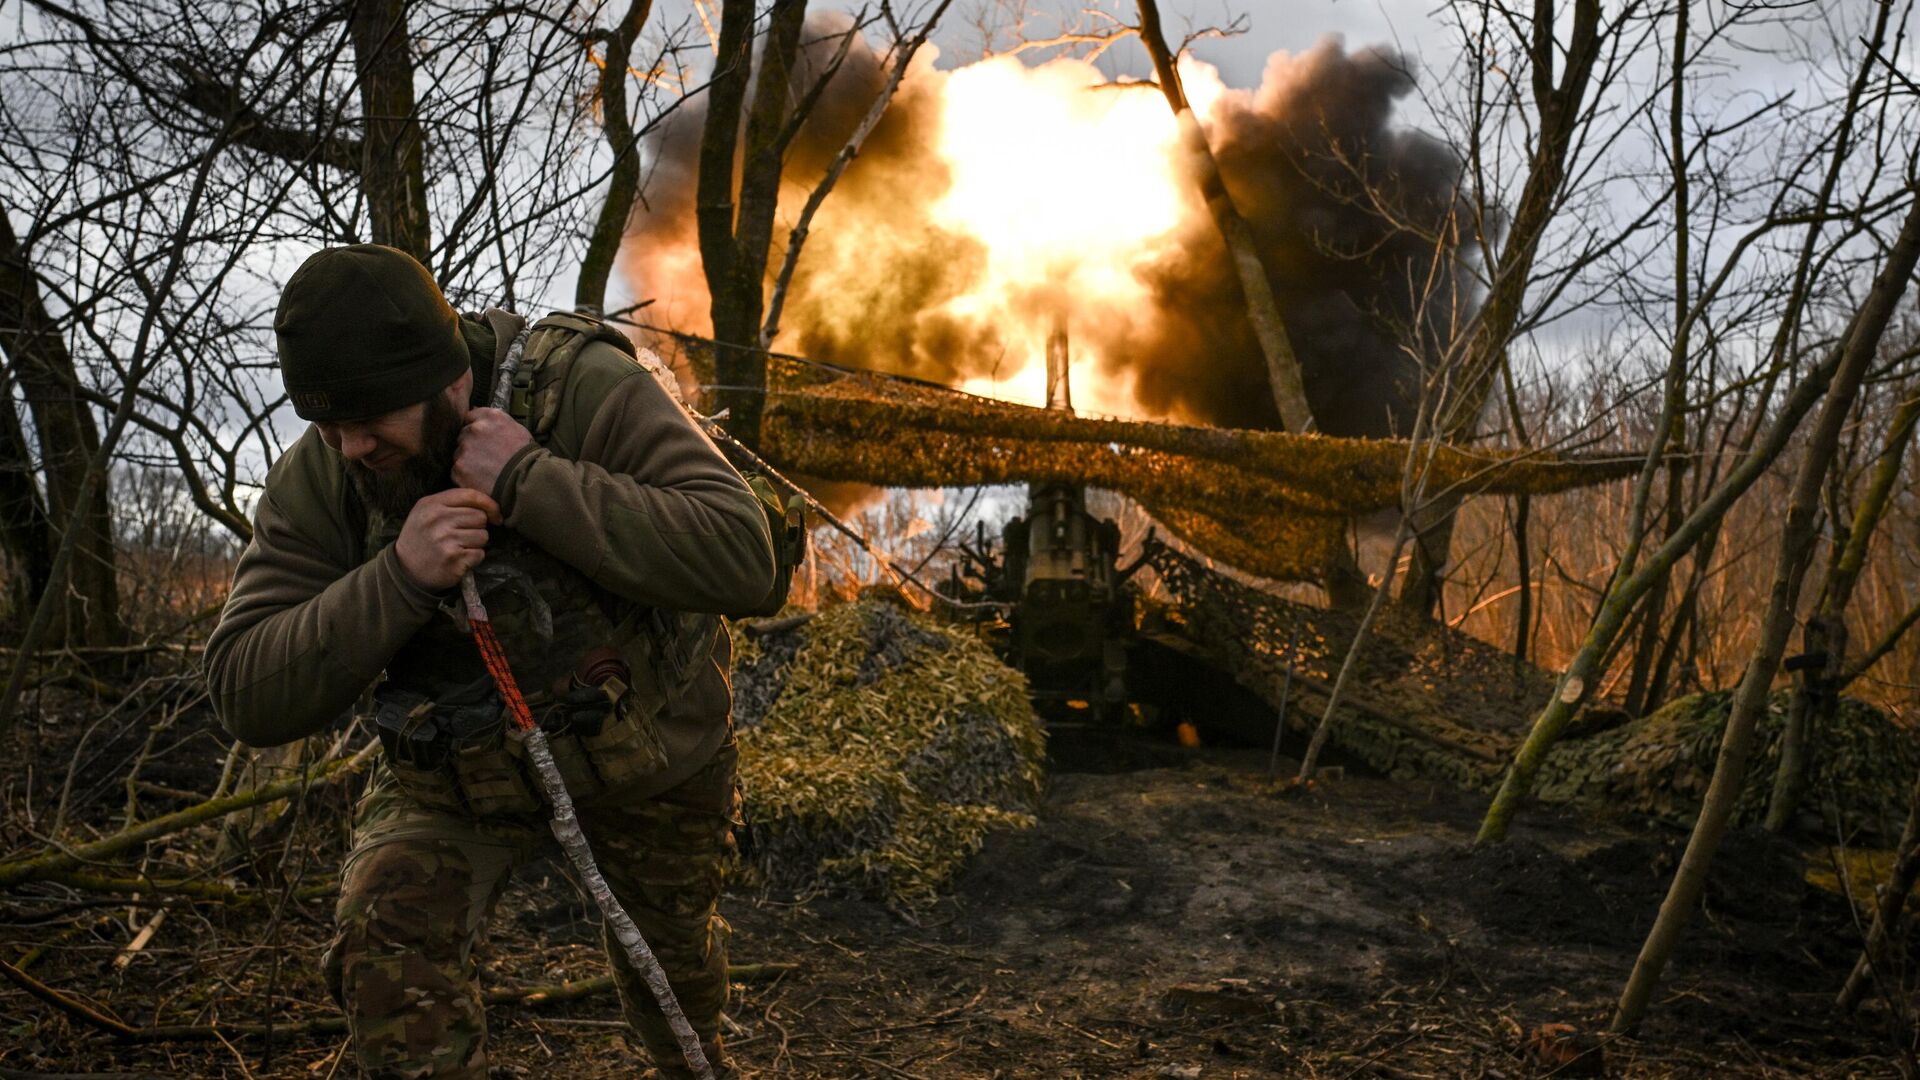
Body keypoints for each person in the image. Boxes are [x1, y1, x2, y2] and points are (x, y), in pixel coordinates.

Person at [205, 243, 776, 1079]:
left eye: (371, 420)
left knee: (674, 980)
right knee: (386, 942)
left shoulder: (581, 388)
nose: (352, 446)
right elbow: (243, 691)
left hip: (649, 751)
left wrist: (530, 480)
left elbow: (742, 557)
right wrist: (398, 577)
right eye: (327, 426)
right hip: (457, 777)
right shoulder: (328, 474)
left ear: (446, 380)